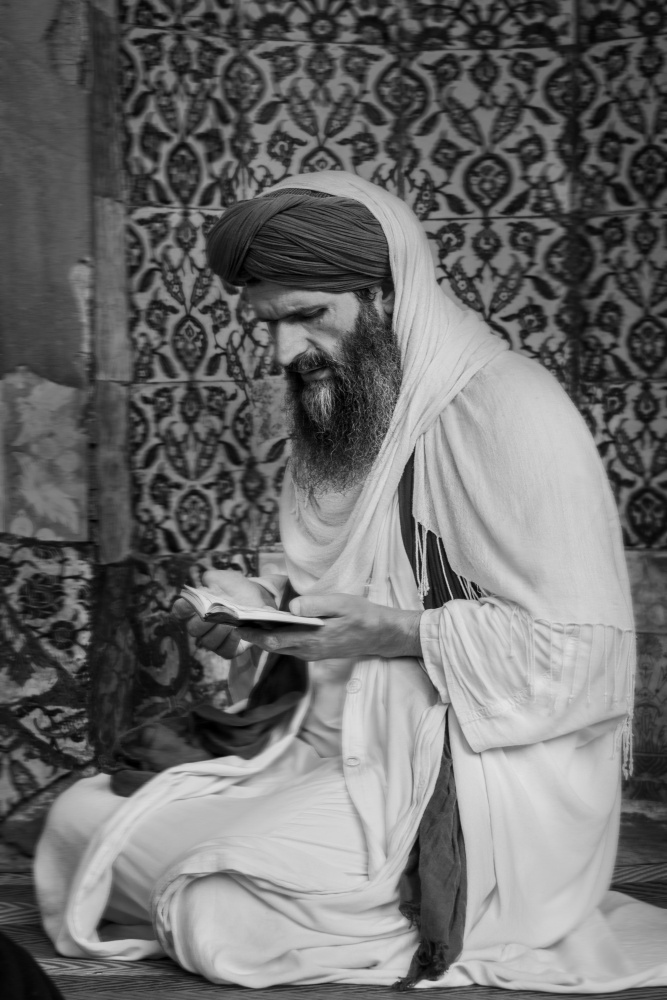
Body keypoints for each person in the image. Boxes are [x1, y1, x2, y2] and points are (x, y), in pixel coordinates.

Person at [34, 173, 667, 991]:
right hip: (337, 746)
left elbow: (580, 659)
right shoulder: (348, 408)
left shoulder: (511, 407)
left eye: (307, 316)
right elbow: (342, 599)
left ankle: (416, 908)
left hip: (481, 779)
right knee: (78, 820)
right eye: (267, 324)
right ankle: (305, 884)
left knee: (217, 910)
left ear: (388, 295)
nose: (283, 354)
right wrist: (265, 621)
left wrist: (396, 634)